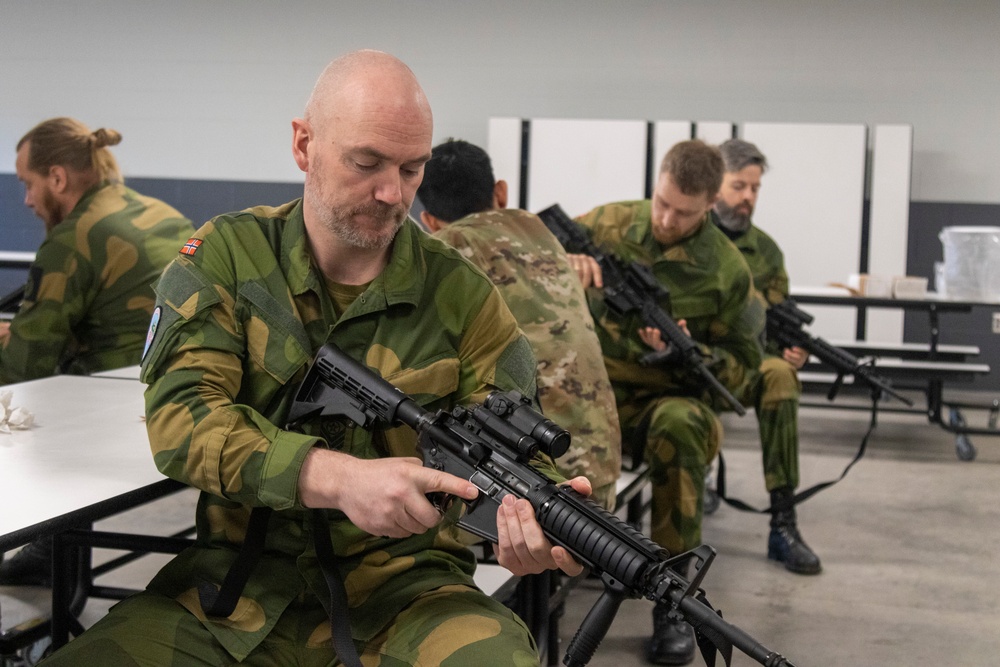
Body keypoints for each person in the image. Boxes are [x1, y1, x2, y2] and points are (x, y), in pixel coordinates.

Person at [39, 51, 587, 667]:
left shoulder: (462, 295)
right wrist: (336, 478)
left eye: (412, 169)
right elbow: (181, 420)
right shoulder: (227, 259)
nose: (392, 193)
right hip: (234, 596)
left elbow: (517, 451)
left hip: (408, 598)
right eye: (367, 162)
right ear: (304, 145)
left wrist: (533, 528)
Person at [567, 139, 764, 666]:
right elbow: (536, 256)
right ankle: (534, 587)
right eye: (661, 203)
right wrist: (567, 267)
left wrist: (689, 353)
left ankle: (674, 604)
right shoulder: (607, 224)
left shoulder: (726, 271)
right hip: (588, 397)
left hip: (663, 407)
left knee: (679, 425)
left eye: (683, 213)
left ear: (709, 206)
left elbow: (746, 370)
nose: (666, 219)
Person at [0, 117, 194, 586]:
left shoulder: (72, 238)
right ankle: (55, 553)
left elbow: (25, 366)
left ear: (58, 179)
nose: (26, 199)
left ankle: (49, 547)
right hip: (185, 395)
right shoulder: (161, 213)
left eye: (28, 184)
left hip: (109, 407)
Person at [417, 138, 622, 511]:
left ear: (428, 220)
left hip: (536, 487)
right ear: (501, 192)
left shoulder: (441, 251)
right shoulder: (538, 230)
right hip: (601, 471)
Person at [712, 138, 821, 576]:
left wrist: (793, 352)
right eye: (739, 186)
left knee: (780, 375)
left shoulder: (766, 251)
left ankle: (784, 523)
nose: (748, 198)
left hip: (744, 367)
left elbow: (778, 323)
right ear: (713, 183)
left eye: (755, 189)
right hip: (689, 363)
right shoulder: (685, 234)